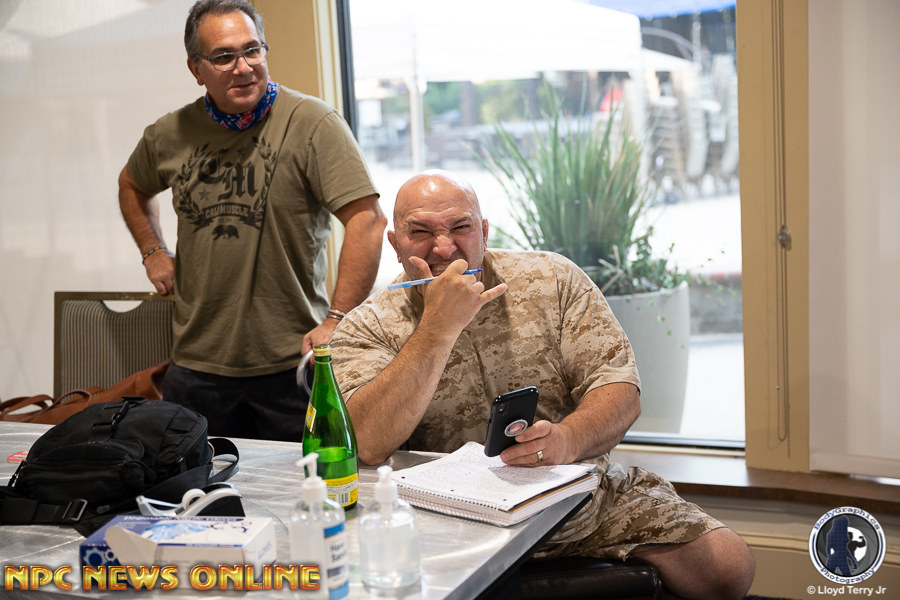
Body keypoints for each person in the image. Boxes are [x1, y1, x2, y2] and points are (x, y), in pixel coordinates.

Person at [330, 170, 755, 599]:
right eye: (420, 232)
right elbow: (367, 441)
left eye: (460, 227)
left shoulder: (552, 279)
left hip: (578, 501)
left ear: (483, 232)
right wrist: (437, 328)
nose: (443, 247)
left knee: (727, 566)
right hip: (450, 521)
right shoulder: (366, 325)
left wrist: (567, 440)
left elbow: (620, 390)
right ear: (396, 243)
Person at [118, 0, 386, 441]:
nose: (243, 67)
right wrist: (153, 251)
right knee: (196, 483)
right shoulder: (169, 134)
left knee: (306, 481)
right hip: (196, 367)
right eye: (224, 56)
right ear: (196, 68)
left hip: (292, 365)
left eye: (252, 50)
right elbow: (132, 185)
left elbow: (367, 220)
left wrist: (337, 318)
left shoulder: (313, 123)